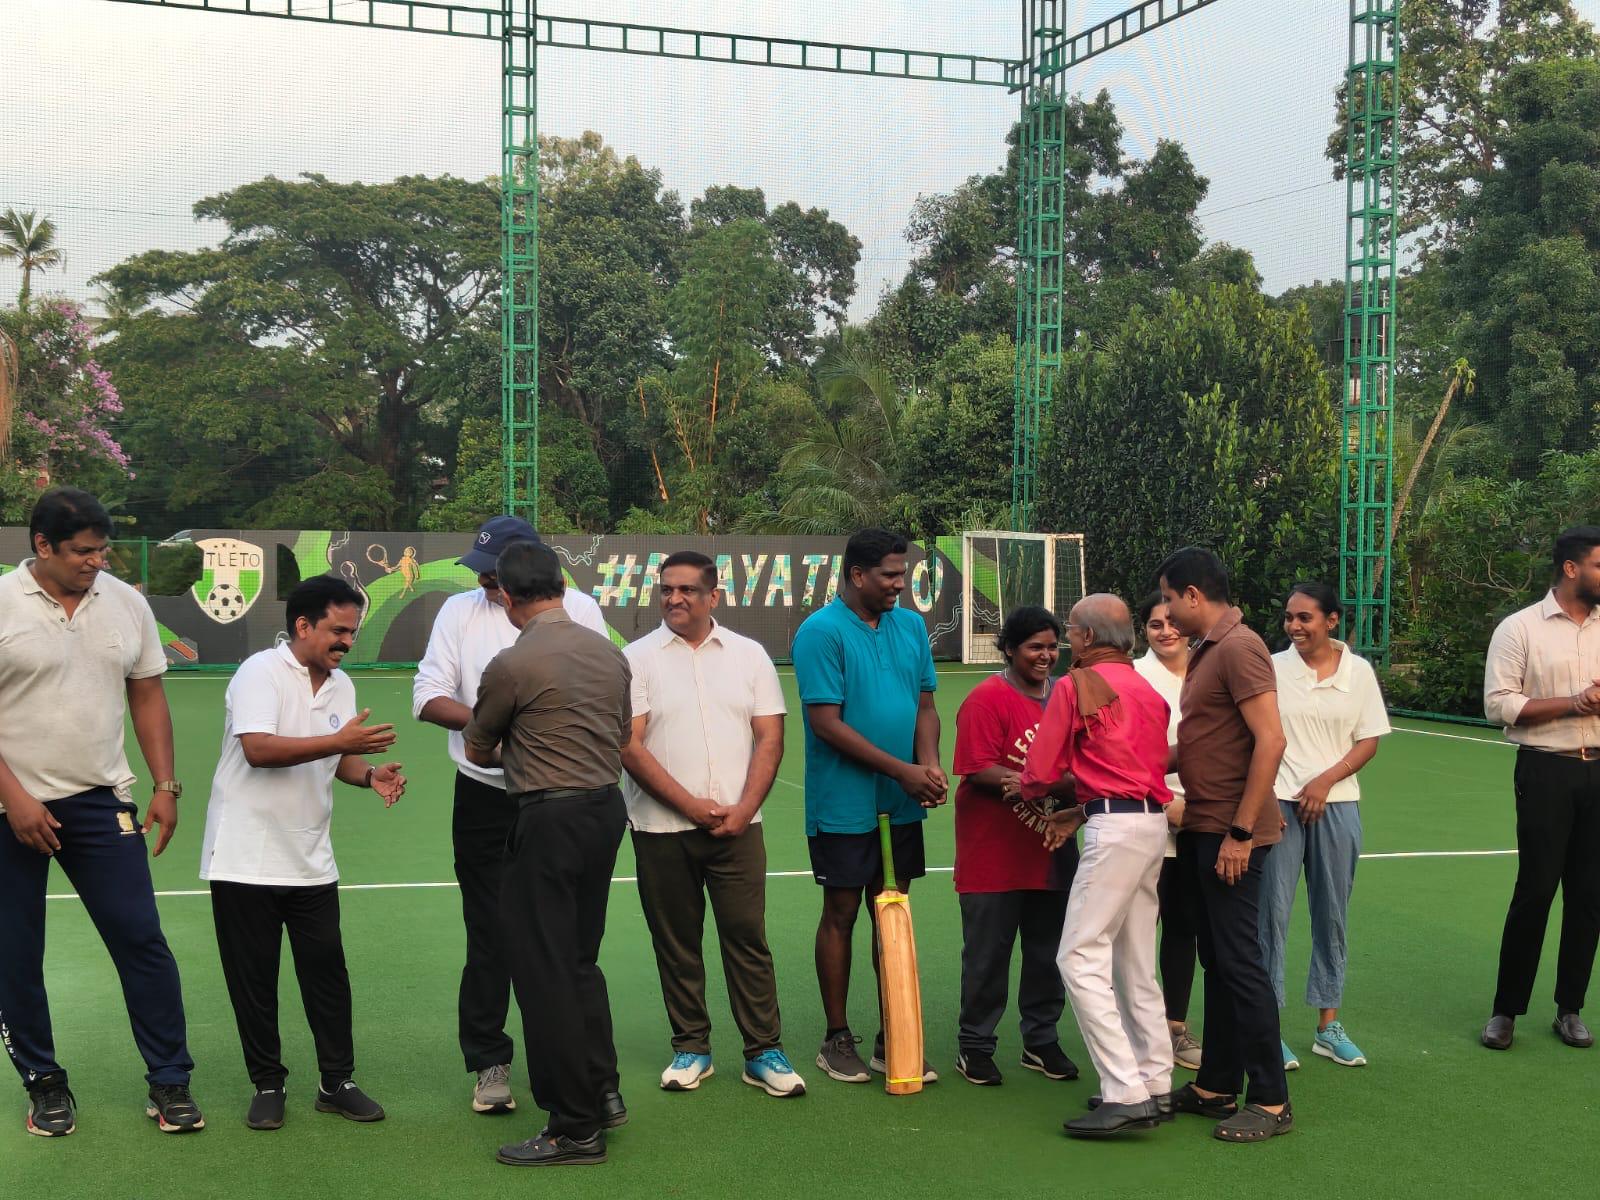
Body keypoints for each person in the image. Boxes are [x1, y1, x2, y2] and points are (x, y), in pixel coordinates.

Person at [0, 487, 205, 1138]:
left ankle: (170, 1081)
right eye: (82, 552)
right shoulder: (2, 603)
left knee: (141, 940)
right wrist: (16, 799)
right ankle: (45, 1083)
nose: (96, 562)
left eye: (102, 549)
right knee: (15, 954)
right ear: (42, 546)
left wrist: (165, 784)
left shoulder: (126, 605)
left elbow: (145, 695)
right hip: (7, 806)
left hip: (97, 800)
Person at [413, 516, 607, 1115]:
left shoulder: (580, 609)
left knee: (570, 939)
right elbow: (427, 694)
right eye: (483, 573)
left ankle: (588, 1072)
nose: (488, 584)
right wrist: (494, 726)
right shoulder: (460, 611)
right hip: (485, 795)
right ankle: (490, 1060)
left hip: (556, 793)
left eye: (497, 575)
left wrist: (520, 734)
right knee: (490, 931)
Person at [201, 576, 407, 1131]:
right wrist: (341, 745)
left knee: (327, 974)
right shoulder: (259, 673)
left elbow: (333, 757)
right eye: (338, 630)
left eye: (352, 633)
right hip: (244, 854)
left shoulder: (339, 686)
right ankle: (268, 1083)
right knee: (254, 978)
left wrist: (367, 774)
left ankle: (336, 1081)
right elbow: (260, 749)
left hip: (311, 856)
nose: (346, 642)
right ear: (302, 625)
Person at [463, 540, 632, 1167]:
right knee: (580, 961)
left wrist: (527, 751)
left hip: (548, 816)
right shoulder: (610, 654)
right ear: (561, 585)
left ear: (507, 596)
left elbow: (480, 748)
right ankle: (603, 1091)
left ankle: (574, 1126)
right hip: (603, 811)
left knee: (543, 972)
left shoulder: (512, 662)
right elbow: (619, 737)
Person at [620, 551, 804, 1099]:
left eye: (687, 591)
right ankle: (692, 1047)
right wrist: (691, 807)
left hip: (739, 830)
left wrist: (743, 808)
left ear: (713, 596)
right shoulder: (634, 658)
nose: (675, 599)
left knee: (747, 939)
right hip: (660, 829)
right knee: (676, 943)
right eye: (666, 590)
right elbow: (629, 743)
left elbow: (769, 737)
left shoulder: (749, 657)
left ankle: (762, 1051)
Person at [792, 528, 946, 1085]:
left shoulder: (910, 626)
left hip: (900, 802)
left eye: (902, 574)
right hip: (843, 803)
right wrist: (902, 771)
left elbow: (926, 705)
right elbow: (826, 724)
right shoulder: (820, 633)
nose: (899, 585)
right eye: (889, 575)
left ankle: (892, 1034)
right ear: (857, 575)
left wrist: (925, 764)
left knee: (893, 912)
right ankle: (837, 1037)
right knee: (841, 914)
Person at [1021, 594, 1174, 1138]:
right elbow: (1148, 761)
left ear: (1085, 636)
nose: (1067, 641)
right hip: (1152, 824)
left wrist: (1025, 785)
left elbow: (1040, 770)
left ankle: (1126, 1091)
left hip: (1112, 830)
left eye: (1070, 632)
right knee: (1135, 960)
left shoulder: (1075, 685)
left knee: (1079, 956)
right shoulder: (1148, 689)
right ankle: (1155, 1082)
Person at [1156, 546, 1292, 1143]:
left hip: (1230, 833)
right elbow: (1204, 742)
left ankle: (1270, 1100)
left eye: (1167, 597)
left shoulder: (1240, 647)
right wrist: (1134, 766)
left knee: (1239, 963)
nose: (1163, 611)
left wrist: (1240, 833)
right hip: (1203, 826)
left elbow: (1271, 741)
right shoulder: (1210, 651)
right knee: (1217, 958)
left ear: (1191, 595)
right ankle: (1215, 1086)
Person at [1259, 582, 1390, 1071]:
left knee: (1331, 915)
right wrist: (1274, 795)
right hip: (1277, 807)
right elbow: (1260, 735)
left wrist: (1324, 782)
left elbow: (1367, 740)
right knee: (1269, 916)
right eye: (1289, 617)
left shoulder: (1360, 673)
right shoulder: (1272, 668)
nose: (1294, 626)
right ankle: (1266, 1028)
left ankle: (1327, 1027)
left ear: (1331, 620)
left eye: (1305, 618)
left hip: (1338, 807)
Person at [1481, 525, 1600, 1052]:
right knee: (1535, 892)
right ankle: (1506, 1011)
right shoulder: (1520, 628)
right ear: (1572, 569)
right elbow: (1499, 704)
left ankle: (1569, 1008)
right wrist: (1573, 703)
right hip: (1546, 770)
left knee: (1590, 896)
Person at [950, 605, 1079, 1087]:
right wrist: (1042, 782)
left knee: (1049, 955)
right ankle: (976, 1046)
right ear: (1009, 649)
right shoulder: (986, 700)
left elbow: (1080, 769)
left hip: (1052, 851)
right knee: (987, 956)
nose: (1046, 656)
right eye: (1034, 647)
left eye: (1052, 646)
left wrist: (1048, 785)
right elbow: (978, 767)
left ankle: (1040, 1041)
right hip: (994, 854)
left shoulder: (1066, 697)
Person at [1132, 591, 1202, 1073]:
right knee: (1137, 928)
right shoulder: (1134, 677)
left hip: (1202, 816)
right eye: (1155, 624)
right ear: (1144, 631)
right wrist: (1164, 800)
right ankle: (1138, 1032)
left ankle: (1175, 1028)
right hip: (1147, 812)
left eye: (1172, 621)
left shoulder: (1210, 670)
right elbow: (1125, 752)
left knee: (1184, 927)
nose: (1166, 630)